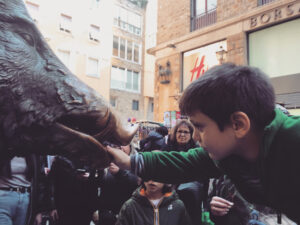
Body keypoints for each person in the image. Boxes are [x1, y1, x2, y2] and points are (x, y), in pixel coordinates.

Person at [107, 63, 300, 223]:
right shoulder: (227, 154)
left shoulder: (293, 143)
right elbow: (185, 163)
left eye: (200, 127)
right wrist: (129, 162)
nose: (195, 137)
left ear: (238, 124)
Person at [162, 120, 208, 225]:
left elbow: (204, 177)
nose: (182, 134)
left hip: (191, 197)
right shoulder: (167, 148)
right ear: (175, 133)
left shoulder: (197, 150)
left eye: (186, 132)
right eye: (179, 131)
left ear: (191, 134)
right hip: (169, 195)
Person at [0, 155, 51, 225]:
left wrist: (38, 210)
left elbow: (40, 181)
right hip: (4, 197)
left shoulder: (33, 153)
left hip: (25, 199)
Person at [95, 144, 139, 225]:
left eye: (124, 144)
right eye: (116, 145)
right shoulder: (106, 161)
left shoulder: (136, 160)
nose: (120, 147)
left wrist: (119, 173)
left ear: (130, 145)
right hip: (107, 216)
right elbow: (99, 188)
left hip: (128, 215)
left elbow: (136, 184)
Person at [116, 179, 191, 225]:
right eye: (148, 173)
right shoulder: (130, 206)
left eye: (157, 174)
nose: (151, 180)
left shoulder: (177, 206)